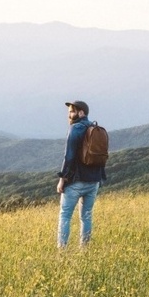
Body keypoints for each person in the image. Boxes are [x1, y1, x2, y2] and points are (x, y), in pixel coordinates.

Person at [57, 100, 107, 248]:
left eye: (72, 111)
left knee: (65, 216)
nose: (69, 115)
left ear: (81, 113)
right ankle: (84, 250)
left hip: (76, 182)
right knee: (86, 217)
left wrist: (62, 179)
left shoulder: (75, 129)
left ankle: (62, 252)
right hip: (94, 181)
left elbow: (69, 157)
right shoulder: (95, 128)